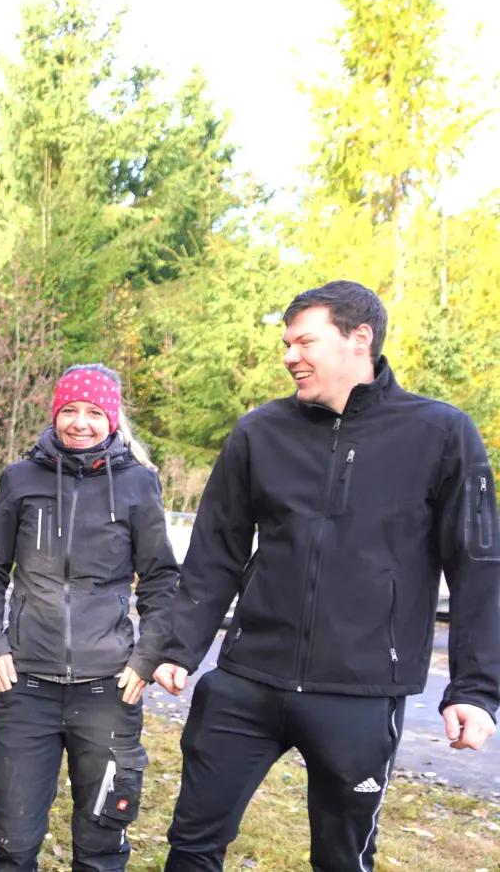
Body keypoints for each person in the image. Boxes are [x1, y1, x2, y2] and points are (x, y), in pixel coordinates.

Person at [153, 280, 500, 871]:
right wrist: (180, 646)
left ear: (358, 338)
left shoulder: (441, 434)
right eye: (286, 344)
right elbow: (216, 549)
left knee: (342, 860)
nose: (290, 356)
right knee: (191, 843)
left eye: (304, 342)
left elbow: (478, 567)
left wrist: (476, 689)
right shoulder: (259, 432)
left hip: (361, 694)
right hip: (247, 682)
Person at [0, 364, 179, 871]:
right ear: (54, 413)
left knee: (102, 839)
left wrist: (147, 657)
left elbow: (160, 580)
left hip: (108, 689)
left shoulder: (139, 484)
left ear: (112, 419)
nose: (80, 422)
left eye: (93, 412)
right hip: (27, 687)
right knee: (12, 840)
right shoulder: (21, 478)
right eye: (70, 410)